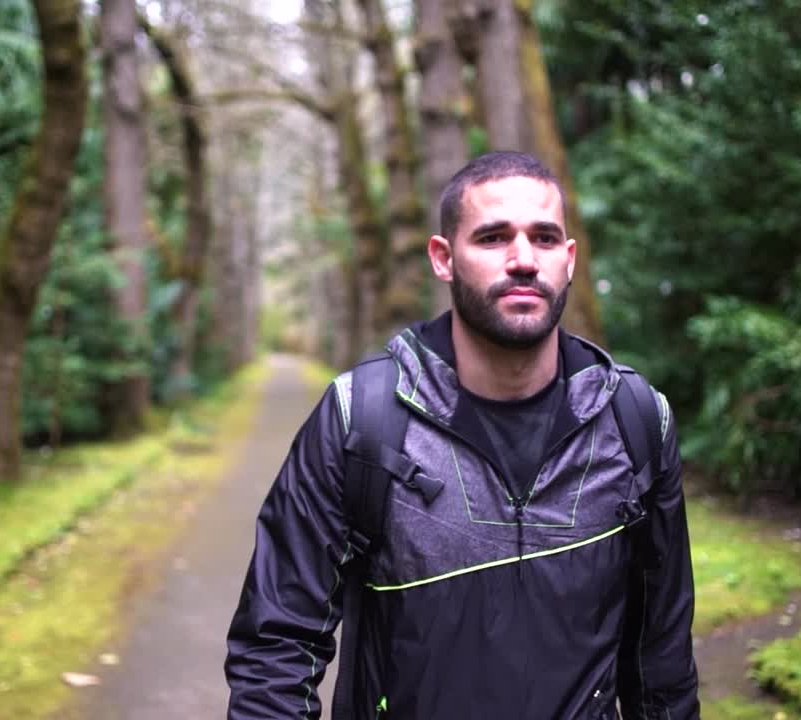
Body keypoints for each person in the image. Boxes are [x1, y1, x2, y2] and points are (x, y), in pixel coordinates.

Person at [225, 151, 699, 719]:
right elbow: (276, 646)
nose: (523, 260)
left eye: (545, 239)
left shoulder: (635, 421)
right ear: (443, 258)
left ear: (569, 260)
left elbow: (662, 662)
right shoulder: (362, 421)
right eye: (494, 238)